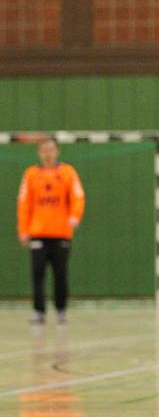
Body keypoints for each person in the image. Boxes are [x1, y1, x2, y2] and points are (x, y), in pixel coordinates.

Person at [17, 138, 85, 325]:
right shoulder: (31, 174)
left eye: (51, 149)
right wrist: (23, 230)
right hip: (38, 233)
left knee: (60, 274)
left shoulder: (67, 172)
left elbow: (78, 196)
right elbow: (24, 203)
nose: (47, 153)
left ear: (57, 151)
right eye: (44, 149)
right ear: (39, 152)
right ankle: (39, 312)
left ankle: (61, 310)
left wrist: (74, 216)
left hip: (61, 233)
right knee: (37, 274)